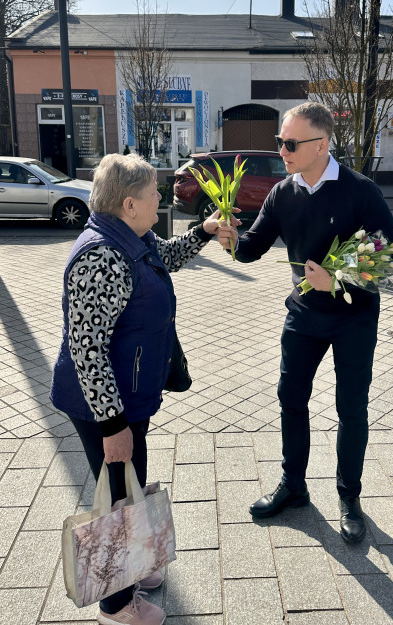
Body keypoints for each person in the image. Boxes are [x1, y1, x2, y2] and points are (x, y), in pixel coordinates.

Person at [216, 102, 393, 544]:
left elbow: (390, 257)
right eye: (280, 141)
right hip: (303, 316)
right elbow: (253, 247)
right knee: (290, 399)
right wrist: (230, 242)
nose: (282, 150)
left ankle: (349, 497)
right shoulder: (283, 192)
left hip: (353, 318)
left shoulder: (361, 191)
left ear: (321, 145)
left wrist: (337, 276)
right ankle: (293, 487)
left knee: (350, 408)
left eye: (290, 143)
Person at [51, 153, 224, 625]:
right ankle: (114, 604)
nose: (161, 200)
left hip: (129, 395)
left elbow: (162, 257)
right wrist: (112, 427)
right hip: (103, 405)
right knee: (119, 497)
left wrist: (202, 234)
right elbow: (88, 352)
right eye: (154, 195)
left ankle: (136, 560)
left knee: (129, 486)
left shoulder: (130, 237)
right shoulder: (99, 258)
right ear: (129, 204)